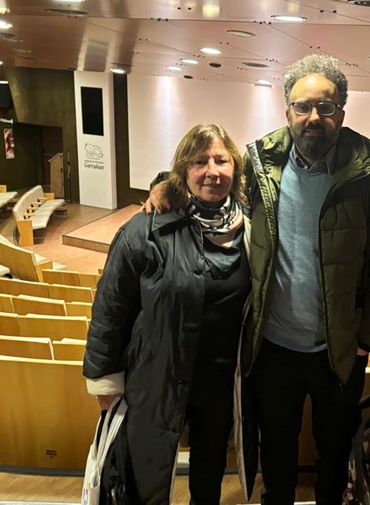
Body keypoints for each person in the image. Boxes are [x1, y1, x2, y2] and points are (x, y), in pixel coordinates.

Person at [145, 54, 370, 504]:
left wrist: (365, 337)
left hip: (339, 353)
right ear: (287, 112)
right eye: (303, 107)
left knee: (334, 453)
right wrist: (166, 183)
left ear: (342, 111)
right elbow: (210, 176)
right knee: (275, 456)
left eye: (326, 106)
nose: (314, 117)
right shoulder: (260, 166)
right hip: (274, 348)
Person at [83, 123, 251, 505]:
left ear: (235, 168)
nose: (212, 171)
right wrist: (106, 380)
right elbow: (112, 306)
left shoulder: (253, 227)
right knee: (149, 472)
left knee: (209, 472)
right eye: (200, 161)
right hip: (157, 374)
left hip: (223, 380)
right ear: (183, 169)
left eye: (221, 160)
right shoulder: (147, 228)